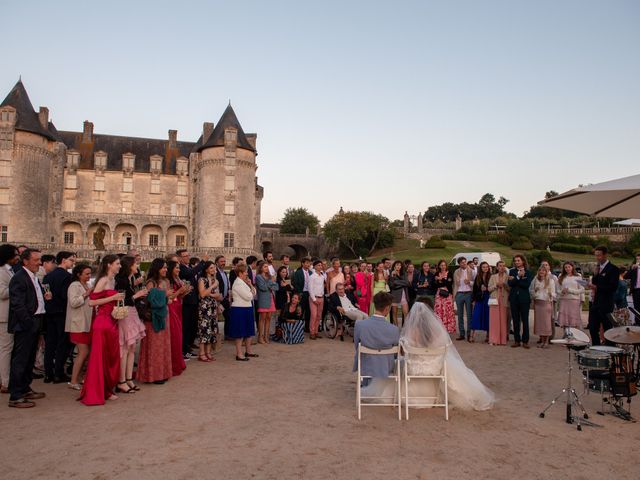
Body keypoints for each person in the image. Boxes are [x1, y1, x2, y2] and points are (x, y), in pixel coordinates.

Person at [400, 302, 495, 411]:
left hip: (415, 372)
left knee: (400, 362)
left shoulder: (411, 332)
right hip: (434, 370)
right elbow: (444, 347)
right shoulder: (436, 331)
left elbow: (405, 351)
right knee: (449, 363)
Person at [7, 249, 50, 408]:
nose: (40, 263)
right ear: (25, 261)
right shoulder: (19, 278)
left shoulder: (32, 277)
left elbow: (32, 298)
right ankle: (16, 395)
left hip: (36, 321)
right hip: (27, 324)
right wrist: (28, 322)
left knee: (29, 359)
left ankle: (24, 388)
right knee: (21, 360)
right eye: (36, 260)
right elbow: (17, 304)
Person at [79, 255, 124, 405]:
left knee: (111, 356)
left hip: (111, 320)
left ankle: (107, 389)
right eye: (117, 264)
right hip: (102, 322)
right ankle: (98, 391)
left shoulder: (112, 280)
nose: (120, 266)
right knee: (101, 357)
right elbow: (92, 302)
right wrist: (113, 298)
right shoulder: (103, 280)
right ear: (109, 265)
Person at [114, 256, 147, 392]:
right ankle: (121, 380)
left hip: (131, 312)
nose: (137, 266)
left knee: (132, 347)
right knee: (125, 348)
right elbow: (122, 300)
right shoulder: (121, 280)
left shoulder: (128, 279)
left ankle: (128, 378)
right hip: (125, 314)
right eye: (135, 264)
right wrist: (137, 295)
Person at [352, 292, 400, 388]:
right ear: (387, 309)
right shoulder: (394, 329)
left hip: (366, 366)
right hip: (386, 368)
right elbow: (395, 354)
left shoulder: (360, 325)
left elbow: (357, 347)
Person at [137, 259, 173, 384]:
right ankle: (153, 375)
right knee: (154, 346)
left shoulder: (166, 281)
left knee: (163, 345)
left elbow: (168, 298)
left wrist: (168, 296)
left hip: (164, 315)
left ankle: (162, 372)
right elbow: (152, 301)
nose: (166, 270)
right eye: (163, 267)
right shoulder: (151, 283)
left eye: (166, 268)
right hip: (153, 317)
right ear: (157, 268)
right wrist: (165, 295)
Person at [42, 251, 75, 383]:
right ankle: (58, 373)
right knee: (62, 343)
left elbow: (46, 293)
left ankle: (48, 373)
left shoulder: (48, 276)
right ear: (63, 260)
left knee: (50, 344)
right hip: (62, 313)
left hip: (49, 312)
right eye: (71, 260)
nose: (73, 262)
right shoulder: (67, 277)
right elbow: (65, 296)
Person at [65, 263, 93, 390]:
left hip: (86, 323)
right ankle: (73, 380)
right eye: (86, 274)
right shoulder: (74, 285)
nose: (89, 276)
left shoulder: (87, 285)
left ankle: (79, 377)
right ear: (78, 274)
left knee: (85, 353)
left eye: (89, 273)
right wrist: (86, 294)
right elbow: (73, 302)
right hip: (78, 323)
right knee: (83, 352)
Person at [587, 246, 619, 346]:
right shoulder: (597, 268)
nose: (597, 258)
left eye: (599, 255)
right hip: (596, 303)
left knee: (607, 329)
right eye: (596, 255)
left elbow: (613, 287)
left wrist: (597, 288)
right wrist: (595, 275)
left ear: (605, 255)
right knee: (592, 328)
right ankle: (596, 347)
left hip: (606, 303)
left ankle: (610, 349)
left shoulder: (613, 269)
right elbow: (595, 283)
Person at [177, 249, 206, 359]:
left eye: (188, 255)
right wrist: (203, 262)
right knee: (186, 326)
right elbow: (190, 274)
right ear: (180, 258)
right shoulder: (182, 268)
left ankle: (188, 346)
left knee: (192, 325)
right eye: (185, 256)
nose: (187, 257)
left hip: (194, 300)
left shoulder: (188, 267)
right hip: (187, 301)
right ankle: (184, 349)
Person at [0, 244, 19, 394]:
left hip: (9, 315)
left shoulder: (9, 270)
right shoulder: (1, 271)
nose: (18, 257)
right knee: (6, 349)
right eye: (15, 254)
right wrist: (18, 286)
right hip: (4, 316)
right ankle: (5, 382)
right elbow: (2, 293)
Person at [229, 265, 258, 361]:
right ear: (240, 273)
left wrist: (250, 285)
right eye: (245, 272)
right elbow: (249, 296)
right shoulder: (238, 283)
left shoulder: (244, 283)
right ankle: (239, 353)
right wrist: (251, 292)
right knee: (240, 332)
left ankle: (248, 351)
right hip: (239, 309)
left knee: (249, 331)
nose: (247, 273)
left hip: (247, 308)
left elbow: (254, 292)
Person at [167, 260, 190, 375]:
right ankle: (173, 364)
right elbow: (170, 297)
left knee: (178, 335)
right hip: (172, 308)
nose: (179, 270)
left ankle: (177, 361)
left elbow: (179, 296)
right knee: (174, 335)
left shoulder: (177, 279)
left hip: (178, 307)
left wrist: (184, 292)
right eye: (176, 268)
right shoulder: (168, 281)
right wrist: (180, 291)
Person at [197, 261, 222, 362]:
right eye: (211, 268)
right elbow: (202, 294)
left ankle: (208, 352)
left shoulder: (215, 280)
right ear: (206, 269)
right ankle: (201, 353)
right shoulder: (202, 280)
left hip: (213, 306)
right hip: (204, 308)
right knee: (204, 330)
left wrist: (211, 294)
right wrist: (212, 287)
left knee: (212, 330)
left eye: (214, 268)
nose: (213, 270)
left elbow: (218, 295)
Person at [508, 255, 534, 348]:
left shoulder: (528, 272)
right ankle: (517, 340)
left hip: (524, 299)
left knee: (525, 320)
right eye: (515, 261)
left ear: (523, 261)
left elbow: (526, 285)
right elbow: (510, 284)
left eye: (518, 260)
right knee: (515, 320)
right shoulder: (512, 271)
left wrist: (515, 280)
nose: (517, 262)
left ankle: (525, 341)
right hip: (514, 298)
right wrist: (518, 277)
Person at [530, 267, 556, 348]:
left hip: (546, 303)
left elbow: (554, 293)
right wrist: (535, 291)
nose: (541, 272)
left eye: (543, 270)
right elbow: (531, 292)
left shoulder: (550, 281)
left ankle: (546, 342)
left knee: (546, 323)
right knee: (540, 323)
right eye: (540, 270)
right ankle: (542, 340)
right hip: (538, 303)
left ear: (546, 272)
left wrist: (550, 294)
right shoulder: (536, 280)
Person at [557, 262, 585, 329]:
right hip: (564, 301)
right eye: (565, 267)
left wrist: (570, 290)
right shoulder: (560, 276)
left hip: (574, 301)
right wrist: (562, 292)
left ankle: (574, 337)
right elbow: (557, 289)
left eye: (569, 267)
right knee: (565, 322)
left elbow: (582, 289)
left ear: (572, 267)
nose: (567, 269)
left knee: (574, 321)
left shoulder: (578, 276)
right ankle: (566, 336)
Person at [453, 257, 475, 341]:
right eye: (462, 262)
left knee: (469, 315)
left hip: (469, 293)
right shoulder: (456, 272)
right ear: (459, 264)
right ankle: (462, 334)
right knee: (460, 315)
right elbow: (455, 283)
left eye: (465, 262)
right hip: (459, 294)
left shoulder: (471, 271)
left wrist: (469, 282)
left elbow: (475, 283)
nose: (464, 264)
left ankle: (469, 334)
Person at [488, 261, 510, 345]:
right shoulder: (493, 277)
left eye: (503, 266)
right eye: (500, 266)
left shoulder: (508, 277)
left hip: (504, 300)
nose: (502, 267)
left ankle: (502, 340)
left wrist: (504, 285)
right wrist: (496, 285)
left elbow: (510, 290)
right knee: (494, 320)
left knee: (503, 320)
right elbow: (489, 289)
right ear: (497, 267)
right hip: (494, 299)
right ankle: (494, 340)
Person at [256, 262, 278, 344]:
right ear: (261, 268)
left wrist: (271, 283)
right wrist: (271, 282)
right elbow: (263, 288)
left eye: (267, 267)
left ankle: (266, 336)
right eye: (265, 266)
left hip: (270, 298)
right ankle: (260, 337)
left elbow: (276, 287)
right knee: (262, 318)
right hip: (263, 299)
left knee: (269, 318)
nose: (267, 268)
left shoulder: (269, 277)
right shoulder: (258, 277)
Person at [470, 261, 491, 342]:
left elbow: (493, 287)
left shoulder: (491, 276)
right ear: (481, 268)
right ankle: (472, 335)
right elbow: (474, 290)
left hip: (488, 298)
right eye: (483, 267)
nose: (485, 268)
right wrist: (474, 300)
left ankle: (488, 336)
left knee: (488, 316)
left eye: (486, 267)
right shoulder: (478, 277)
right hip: (479, 299)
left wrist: (486, 288)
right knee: (476, 316)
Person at [433, 260, 456, 333]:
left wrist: (441, 279)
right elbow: (436, 285)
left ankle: (448, 328)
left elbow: (449, 283)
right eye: (441, 265)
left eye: (444, 265)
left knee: (447, 310)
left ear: (446, 266)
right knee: (439, 310)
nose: (443, 267)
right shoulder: (437, 273)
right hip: (439, 294)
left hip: (447, 294)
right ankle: (439, 328)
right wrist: (443, 282)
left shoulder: (449, 273)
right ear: (439, 266)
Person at [388, 260, 410, 327]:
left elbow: (407, 283)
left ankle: (406, 328)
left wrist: (397, 282)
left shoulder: (404, 274)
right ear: (394, 266)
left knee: (406, 313)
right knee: (394, 313)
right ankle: (396, 328)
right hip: (395, 295)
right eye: (397, 265)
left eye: (400, 265)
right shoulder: (391, 274)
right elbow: (391, 285)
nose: (398, 266)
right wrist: (400, 282)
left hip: (403, 294)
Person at [308, 260, 326, 339]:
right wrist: (313, 299)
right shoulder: (312, 276)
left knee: (319, 316)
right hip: (314, 298)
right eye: (318, 265)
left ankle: (316, 331)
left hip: (321, 297)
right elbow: (310, 288)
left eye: (321, 265)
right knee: (313, 315)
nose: (320, 266)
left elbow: (322, 287)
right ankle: (312, 332)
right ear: (314, 266)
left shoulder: (322, 276)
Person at [215, 255, 231, 339]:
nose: (223, 263)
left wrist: (228, 296)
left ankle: (227, 335)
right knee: (215, 318)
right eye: (221, 261)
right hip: (217, 299)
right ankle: (216, 337)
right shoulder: (215, 273)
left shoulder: (224, 273)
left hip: (225, 299)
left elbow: (227, 285)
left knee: (228, 316)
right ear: (216, 263)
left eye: (224, 261)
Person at [623, 253, 640, 321]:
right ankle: (637, 324)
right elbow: (625, 276)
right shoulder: (634, 269)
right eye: (637, 259)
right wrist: (631, 268)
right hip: (636, 290)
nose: (638, 260)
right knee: (636, 308)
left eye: (639, 259)